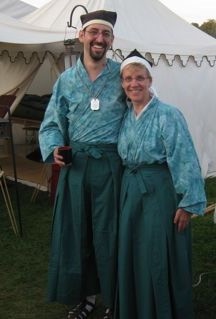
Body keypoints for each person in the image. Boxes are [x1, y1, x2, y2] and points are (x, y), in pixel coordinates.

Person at [39, 10, 126, 319]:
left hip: (112, 169)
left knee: (111, 235)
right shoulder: (66, 80)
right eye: (94, 32)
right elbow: (51, 124)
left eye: (105, 34)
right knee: (79, 235)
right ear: (82, 36)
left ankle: (116, 301)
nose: (99, 39)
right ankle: (86, 299)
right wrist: (53, 149)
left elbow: (143, 111)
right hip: (76, 170)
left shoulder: (123, 75)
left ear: (112, 39)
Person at [117, 49, 207, 319]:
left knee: (157, 251)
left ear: (150, 80)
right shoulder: (124, 116)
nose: (135, 83)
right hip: (131, 190)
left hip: (158, 191)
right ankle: (138, 307)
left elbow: (184, 157)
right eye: (129, 78)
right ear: (122, 83)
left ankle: (162, 309)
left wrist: (188, 201)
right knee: (135, 249)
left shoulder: (168, 114)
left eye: (140, 78)